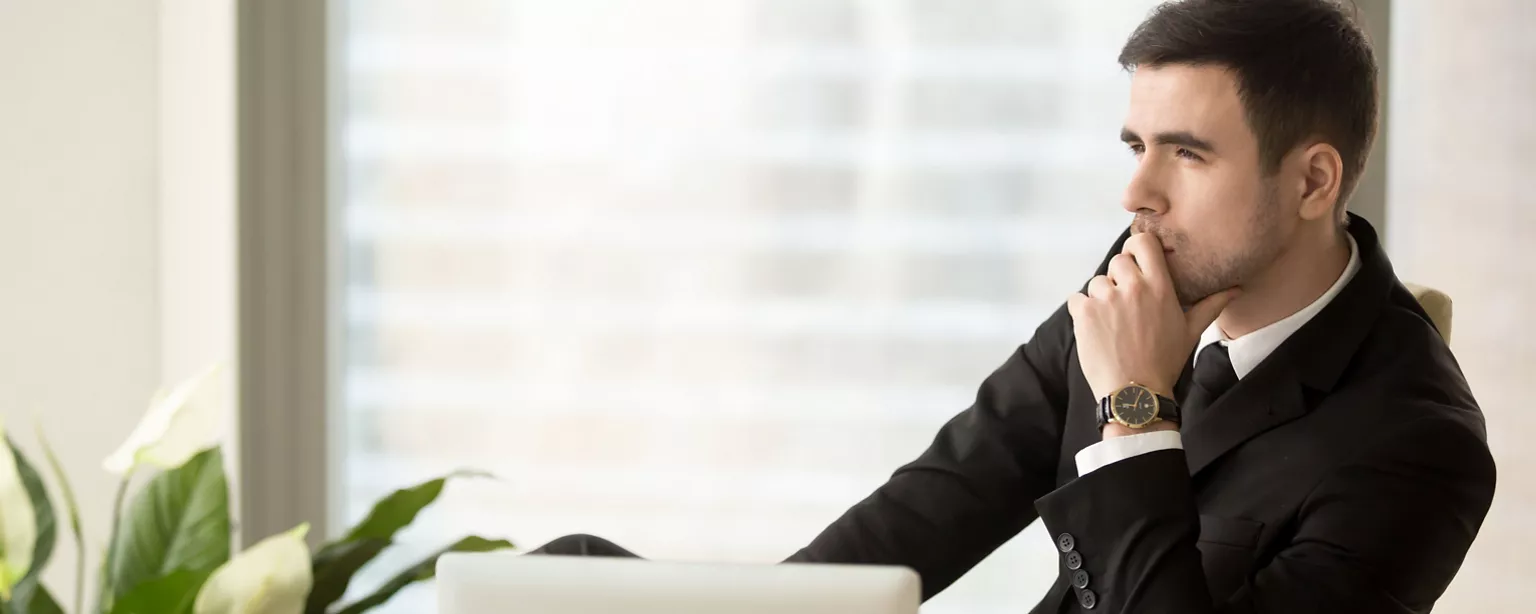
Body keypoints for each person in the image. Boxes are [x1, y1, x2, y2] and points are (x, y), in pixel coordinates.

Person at [530, 1, 1497, 612]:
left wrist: (1136, 414)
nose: (1137, 196)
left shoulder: (1418, 447)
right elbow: (940, 498)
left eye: (1187, 154)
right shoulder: (1147, 266)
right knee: (567, 577)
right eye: (1135, 146)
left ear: (1314, 180)